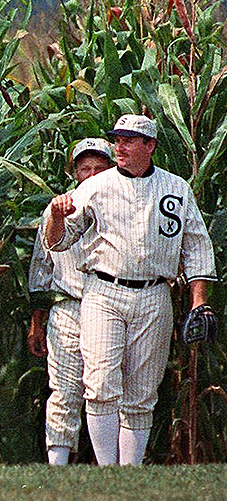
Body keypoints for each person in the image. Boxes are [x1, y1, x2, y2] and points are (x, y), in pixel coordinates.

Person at [44, 115, 215, 465]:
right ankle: (109, 471)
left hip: (155, 293)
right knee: (101, 383)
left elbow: (196, 247)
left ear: (149, 146)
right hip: (104, 291)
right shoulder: (95, 186)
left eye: (129, 140)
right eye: (117, 140)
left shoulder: (176, 188)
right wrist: (58, 218)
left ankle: (130, 471)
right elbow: (59, 242)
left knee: (141, 392)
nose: (119, 146)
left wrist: (199, 302)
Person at [27, 138, 114, 466]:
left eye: (99, 168)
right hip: (67, 306)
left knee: (105, 387)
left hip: (109, 304)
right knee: (63, 388)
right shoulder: (57, 209)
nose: (91, 174)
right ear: (74, 171)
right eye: (84, 167)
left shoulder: (120, 205)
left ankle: (111, 464)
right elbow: (41, 268)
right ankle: (58, 464)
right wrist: (37, 320)